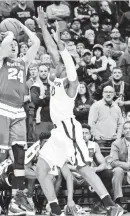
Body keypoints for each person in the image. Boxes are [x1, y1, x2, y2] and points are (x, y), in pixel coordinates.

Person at [34, 7, 122, 216]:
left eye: (62, 64)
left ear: (66, 67)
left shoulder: (70, 85)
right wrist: (43, 26)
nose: (55, 62)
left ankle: (111, 206)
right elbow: (50, 47)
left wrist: (66, 51)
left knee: (83, 167)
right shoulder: (56, 77)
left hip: (69, 130)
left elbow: (70, 68)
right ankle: (55, 209)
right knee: (41, 169)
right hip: (57, 133)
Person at [0, 15, 40, 215]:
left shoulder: (24, 63)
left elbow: (37, 42)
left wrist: (22, 26)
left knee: (20, 153)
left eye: (16, 44)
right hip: (0, 108)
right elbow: (5, 44)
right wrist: (9, 33)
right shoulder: (0, 62)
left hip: (18, 110)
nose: (13, 46)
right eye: (11, 45)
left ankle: (17, 197)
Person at [110, 121, 130, 208]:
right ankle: (118, 200)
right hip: (123, 171)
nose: (128, 131)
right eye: (125, 129)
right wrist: (127, 165)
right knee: (117, 170)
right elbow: (113, 162)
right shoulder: (116, 144)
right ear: (122, 131)